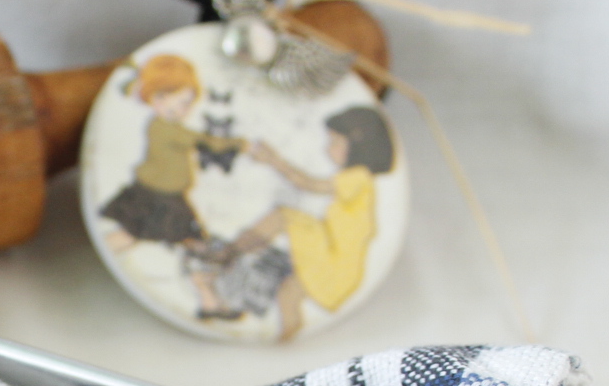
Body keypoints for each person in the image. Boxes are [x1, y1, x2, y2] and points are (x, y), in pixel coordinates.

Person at [230, 105, 397, 339]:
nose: (328, 148)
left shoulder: (357, 177)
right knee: (288, 293)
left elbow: (310, 185)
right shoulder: (357, 179)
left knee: (284, 216)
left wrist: (274, 160)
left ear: (360, 145)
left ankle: (229, 253)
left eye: (336, 142)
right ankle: (288, 336)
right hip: (339, 260)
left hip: (336, 261)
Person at [96, 54, 243, 317]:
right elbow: (204, 140)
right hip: (156, 197)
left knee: (193, 244)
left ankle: (209, 303)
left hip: (169, 197)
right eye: (179, 102)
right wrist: (239, 143)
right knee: (136, 236)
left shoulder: (166, 124)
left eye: (188, 104)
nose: (183, 110)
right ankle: (96, 259)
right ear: (157, 98)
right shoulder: (165, 128)